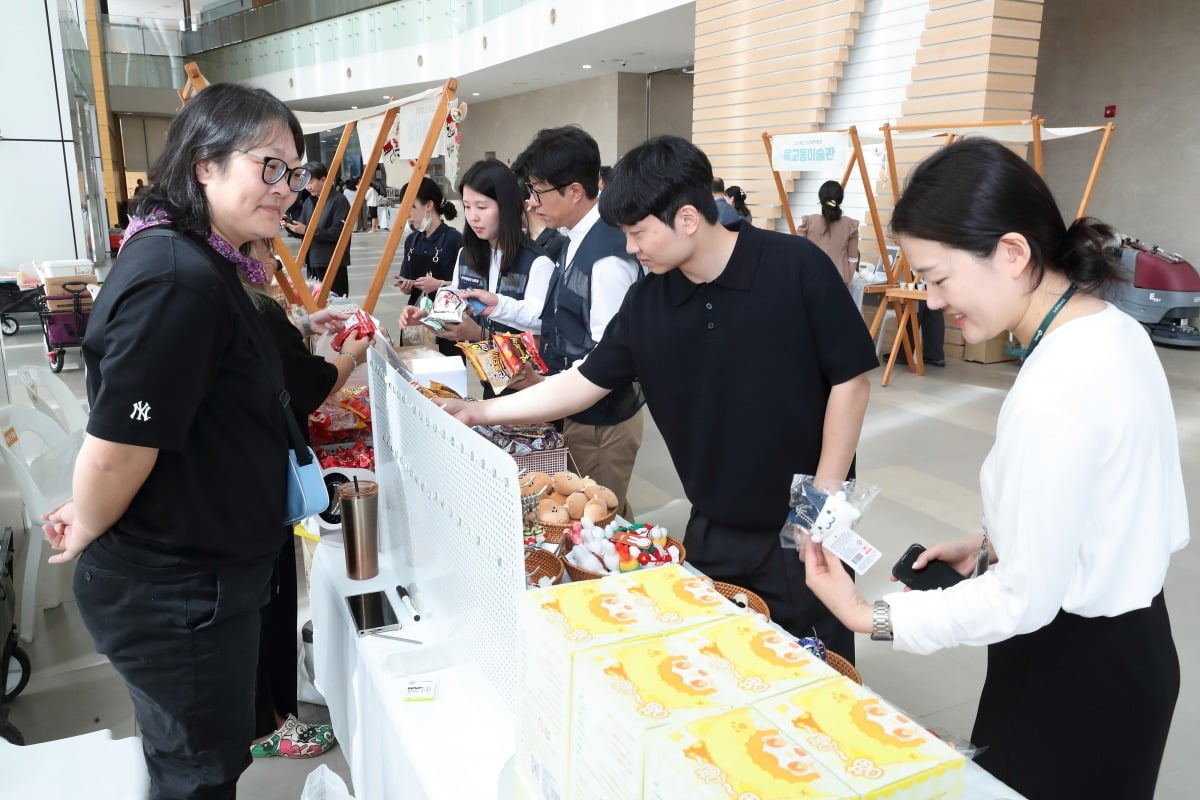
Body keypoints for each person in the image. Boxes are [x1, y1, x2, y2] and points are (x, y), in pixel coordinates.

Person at [803, 137, 1187, 799]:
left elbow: (1023, 601)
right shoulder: (1113, 331)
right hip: (1136, 651)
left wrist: (869, 616)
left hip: (1072, 674)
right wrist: (995, 545)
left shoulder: (1056, 387)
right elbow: (1125, 499)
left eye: (938, 277)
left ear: (1011, 253)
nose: (927, 300)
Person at [440, 136, 878, 654]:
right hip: (713, 529)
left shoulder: (794, 267)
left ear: (688, 218)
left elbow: (850, 380)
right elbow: (583, 383)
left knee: (819, 677)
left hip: (802, 532)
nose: (630, 247)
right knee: (720, 666)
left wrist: (820, 501)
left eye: (638, 232)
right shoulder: (651, 300)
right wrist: (479, 411)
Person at [42, 82, 309, 798]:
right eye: (271, 167)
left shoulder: (205, 259)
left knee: (197, 756)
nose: (288, 189)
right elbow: (121, 444)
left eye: (296, 171)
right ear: (204, 166)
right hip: (178, 587)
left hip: (199, 572)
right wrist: (89, 515)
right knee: (195, 773)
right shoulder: (177, 278)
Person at [241, 240, 370, 760]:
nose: (277, 264)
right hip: (255, 478)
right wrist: (350, 355)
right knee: (266, 600)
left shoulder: (235, 298)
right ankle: (267, 724)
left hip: (243, 475)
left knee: (265, 599)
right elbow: (310, 384)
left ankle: (268, 713)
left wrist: (302, 325)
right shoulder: (248, 303)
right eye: (268, 253)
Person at [512, 126, 645, 518]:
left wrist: (545, 386)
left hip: (604, 422)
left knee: (597, 516)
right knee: (603, 505)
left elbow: (610, 360)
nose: (532, 202)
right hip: (581, 411)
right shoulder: (573, 236)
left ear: (573, 191)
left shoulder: (606, 260)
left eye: (539, 191)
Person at [399, 159, 555, 391]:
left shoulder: (537, 262)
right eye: (467, 207)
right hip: (489, 379)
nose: (472, 217)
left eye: (482, 207)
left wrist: (482, 330)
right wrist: (428, 314)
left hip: (529, 387)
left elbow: (541, 323)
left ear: (507, 206)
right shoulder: (466, 255)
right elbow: (456, 298)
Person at [283, 161, 352, 298]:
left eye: (311, 181)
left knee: (337, 303)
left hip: (332, 262)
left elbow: (339, 233)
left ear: (323, 179)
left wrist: (307, 231)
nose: (307, 186)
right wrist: (290, 226)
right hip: (312, 261)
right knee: (315, 302)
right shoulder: (310, 201)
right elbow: (302, 230)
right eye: (304, 182)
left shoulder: (339, 200)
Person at [798, 180, 860, 287]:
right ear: (840, 200)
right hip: (838, 281)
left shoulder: (808, 223)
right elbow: (853, 259)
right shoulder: (851, 226)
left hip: (810, 280)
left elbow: (798, 254)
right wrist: (848, 281)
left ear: (821, 200)